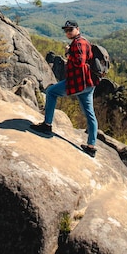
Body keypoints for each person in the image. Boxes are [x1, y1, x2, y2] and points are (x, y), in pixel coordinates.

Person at [30, 20, 98, 158]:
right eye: (66, 30)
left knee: (51, 92)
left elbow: (79, 62)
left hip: (77, 83)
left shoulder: (79, 43)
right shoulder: (84, 41)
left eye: (70, 30)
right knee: (90, 114)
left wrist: (68, 54)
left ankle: (47, 125)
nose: (67, 32)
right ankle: (91, 146)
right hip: (88, 84)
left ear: (77, 29)